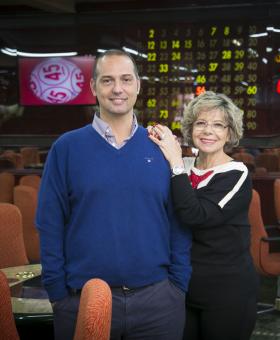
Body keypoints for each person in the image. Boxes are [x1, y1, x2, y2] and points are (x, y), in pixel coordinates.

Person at [36, 49, 192, 340]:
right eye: (107, 80)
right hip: (82, 300)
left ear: (138, 85)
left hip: (158, 303)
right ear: (93, 87)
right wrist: (57, 293)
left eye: (126, 79)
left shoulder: (162, 148)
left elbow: (178, 220)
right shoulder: (66, 148)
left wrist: (177, 285)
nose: (117, 89)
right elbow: (49, 222)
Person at [148, 91, 259, 340]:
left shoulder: (236, 173)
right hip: (182, 287)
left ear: (229, 133)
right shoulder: (183, 166)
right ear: (190, 128)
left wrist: (175, 161)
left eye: (218, 125)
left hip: (226, 291)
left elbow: (195, 215)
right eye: (201, 123)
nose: (208, 131)